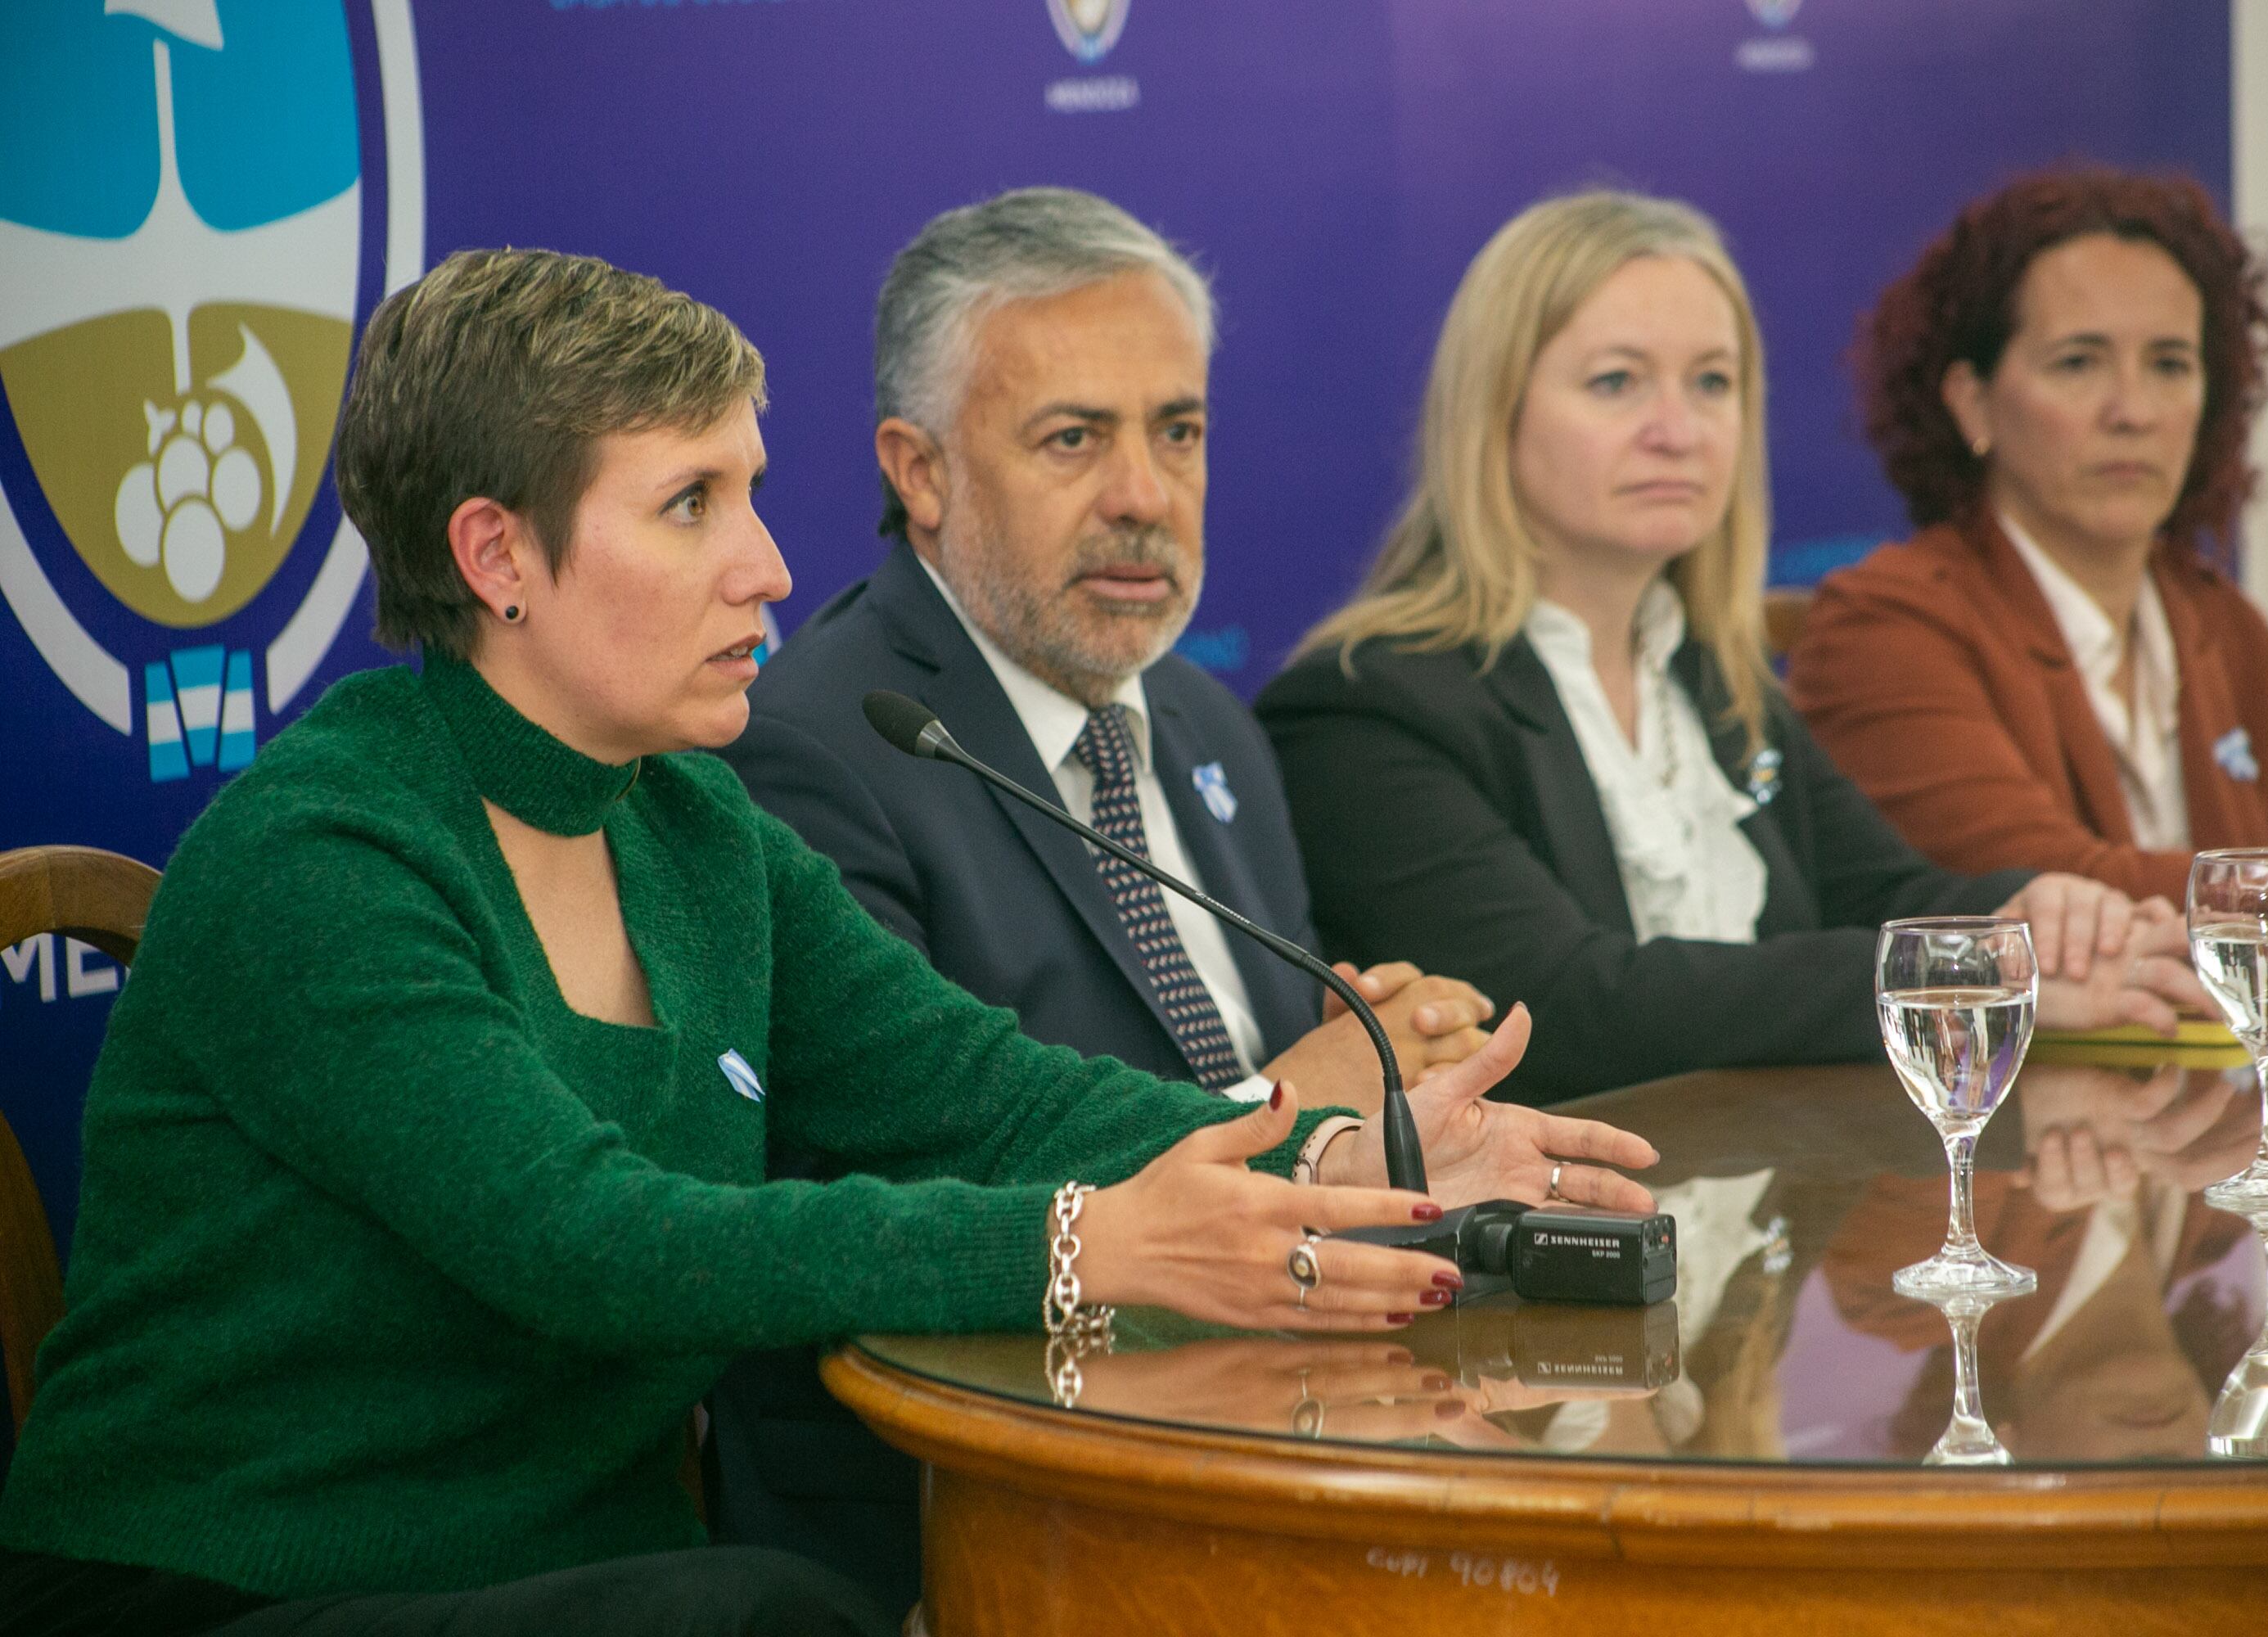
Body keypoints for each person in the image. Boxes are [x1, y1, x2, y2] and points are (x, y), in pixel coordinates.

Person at [0, 249, 1657, 1637]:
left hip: (584, 1577)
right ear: (498, 553)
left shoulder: (694, 827)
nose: (772, 567)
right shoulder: (326, 852)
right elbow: (591, 1240)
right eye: (689, 504)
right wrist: (1078, 1250)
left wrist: (1342, 1140)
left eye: (756, 492)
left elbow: (991, 1097)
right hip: (230, 1588)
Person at [710, 186, 1499, 1609]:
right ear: (922, 470)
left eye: (1177, 432)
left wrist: (1389, 1060)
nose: (1145, 495)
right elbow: (890, 1201)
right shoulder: (818, 749)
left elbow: (1296, 1045)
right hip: (989, 1494)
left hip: (1289, 1414)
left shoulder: (1205, 724)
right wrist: (1282, 1106)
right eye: (1075, 438)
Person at [1256, 191, 2203, 1107]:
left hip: (1755, 1219)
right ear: (1493, 417)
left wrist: (2040, 918)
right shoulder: (1362, 712)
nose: (1679, 432)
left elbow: (1882, 889)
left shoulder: (1707, 676)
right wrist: (1970, 968)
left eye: (1713, 382)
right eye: (1617, 382)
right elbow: (1572, 1006)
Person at [1789, 167, 2268, 958]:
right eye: (2079, 363)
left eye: (2170, 364)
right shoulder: (1884, 629)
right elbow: (2067, 895)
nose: (2133, 411)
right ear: (1971, 403)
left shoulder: (2217, 619)